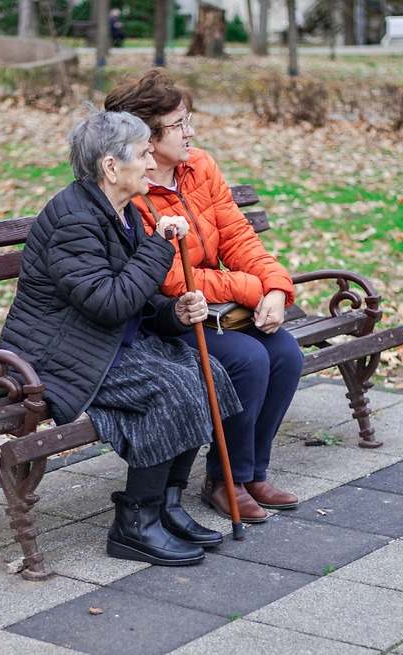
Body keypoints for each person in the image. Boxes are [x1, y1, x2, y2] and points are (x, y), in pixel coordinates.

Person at [0, 110, 242, 566]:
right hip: (56, 356)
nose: (152, 164)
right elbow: (109, 303)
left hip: (102, 342)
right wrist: (162, 245)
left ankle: (166, 505)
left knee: (204, 374)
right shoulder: (74, 220)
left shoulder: (118, 211)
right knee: (172, 387)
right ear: (112, 166)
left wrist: (174, 314)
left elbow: (136, 302)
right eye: (145, 154)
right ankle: (135, 522)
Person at [104, 70, 304, 524]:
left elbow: (238, 237)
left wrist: (275, 286)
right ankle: (223, 480)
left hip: (217, 306)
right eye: (179, 124)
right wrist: (253, 290)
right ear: (147, 137)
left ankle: (251, 472)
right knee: (247, 359)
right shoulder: (133, 188)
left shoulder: (200, 167)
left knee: (285, 354)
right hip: (164, 319)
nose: (189, 131)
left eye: (187, 119)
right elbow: (171, 278)